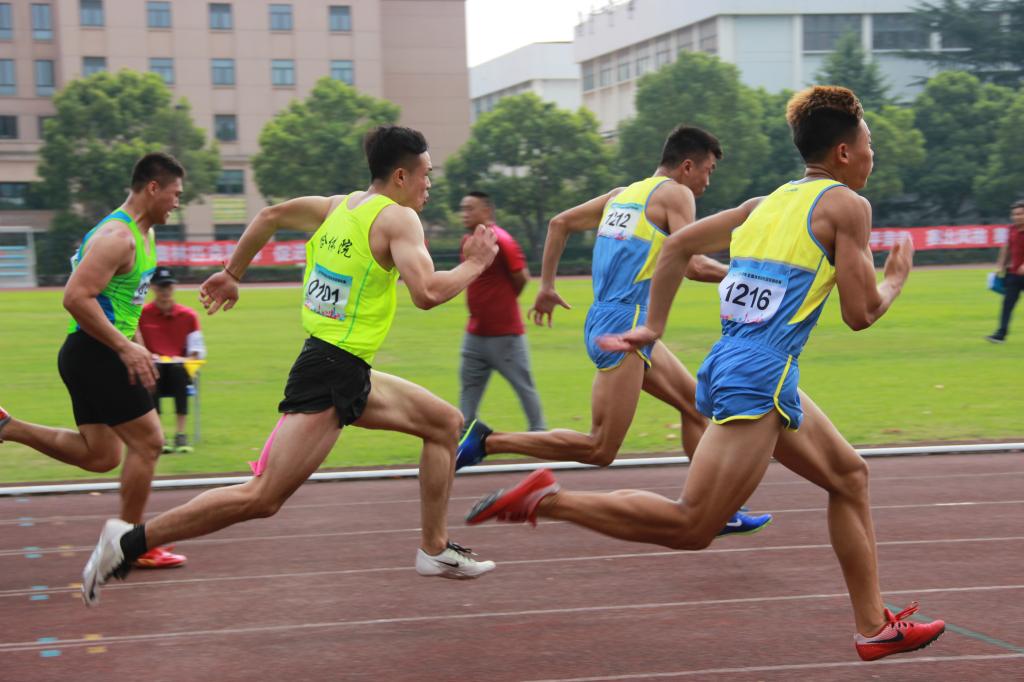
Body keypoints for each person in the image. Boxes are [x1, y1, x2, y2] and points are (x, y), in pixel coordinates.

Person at [465, 86, 945, 661]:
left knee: (849, 476)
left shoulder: (764, 204)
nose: (872, 155)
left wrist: (655, 325)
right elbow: (860, 312)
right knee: (691, 525)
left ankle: (873, 626)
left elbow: (675, 250)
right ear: (843, 152)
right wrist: (895, 280)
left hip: (742, 365)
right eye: (870, 145)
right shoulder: (848, 206)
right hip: (759, 375)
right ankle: (549, 500)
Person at [81, 125, 500, 606]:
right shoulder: (399, 219)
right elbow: (425, 292)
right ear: (401, 176)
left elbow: (270, 215)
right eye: (426, 174)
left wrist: (232, 273)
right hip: (330, 371)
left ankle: (434, 549)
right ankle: (128, 542)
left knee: (444, 423)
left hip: (345, 366)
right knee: (262, 497)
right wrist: (475, 265)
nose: (430, 184)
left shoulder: (337, 206)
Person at [456, 126, 771, 535]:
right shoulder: (677, 195)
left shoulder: (621, 195)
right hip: (625, 326)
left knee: (695, 405)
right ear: (687, 166)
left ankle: (720, 507)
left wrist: (547, 286)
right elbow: (692, 264)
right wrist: (745, 276)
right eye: (708, 170)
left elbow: (559, 223)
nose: (708, 181)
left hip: (612, 319)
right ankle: (487, 441)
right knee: (600, 447)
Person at [0, 152, 187, 570]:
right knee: (149, 443)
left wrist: (138, 347)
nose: (177, 203)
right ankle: (130, 543)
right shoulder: (117, 237)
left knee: (100, 456)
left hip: (94, 353)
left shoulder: (144, 236)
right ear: (152, 188)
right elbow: (75, 297)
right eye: (175, 194)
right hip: (97, 353)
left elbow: (123, 303)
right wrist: (125, 348)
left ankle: (7, 427)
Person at [457, 191, 545, 431]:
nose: (464, 214)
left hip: (506, 336)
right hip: (474, 334)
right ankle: (466, 436)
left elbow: (522, 277)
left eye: (470, 208)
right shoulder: (468, 242)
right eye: (463, 209)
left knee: (524, 388)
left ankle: (540, 433)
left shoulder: (502, 240)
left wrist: (502, 303)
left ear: (486, 211)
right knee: (468, 392)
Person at [139, 266, 207, 453]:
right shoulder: (142, 315)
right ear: (153, 288)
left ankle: (180, 433)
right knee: (155, 371)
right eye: (161, 287)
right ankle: (158, 434)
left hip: (179, 372)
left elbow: (197, 351)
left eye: (169, 286)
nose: (165, 291)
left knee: (177, 370)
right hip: (153, 371)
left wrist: (182, 358)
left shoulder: (188, 316)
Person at [986, 199, 1024, 343]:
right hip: (1013, 274)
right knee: (1007, 304)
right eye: (1014, 214)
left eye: (1020, 214)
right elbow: (1006, 247)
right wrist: (1000, 265)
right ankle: (1000, 334)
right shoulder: (1011, 229)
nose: (1016, 217)